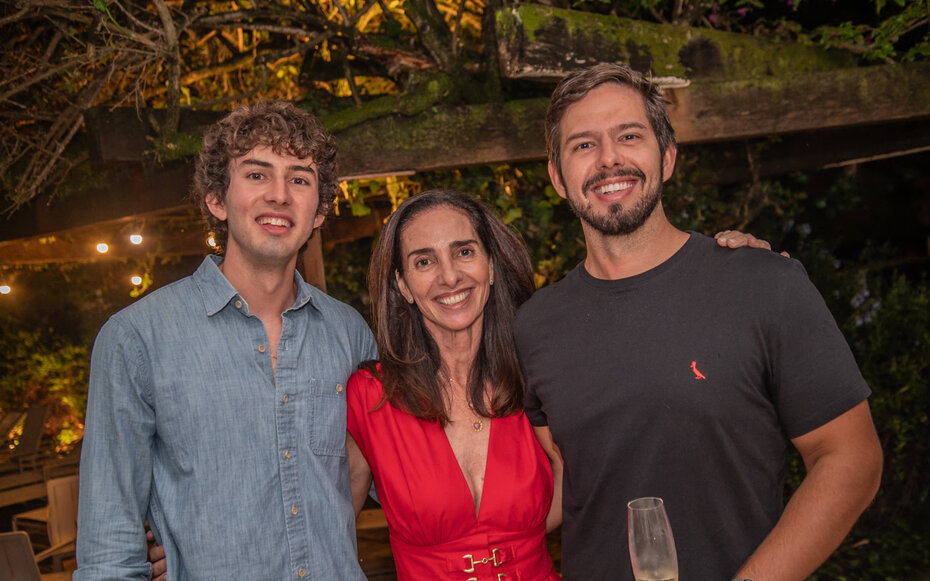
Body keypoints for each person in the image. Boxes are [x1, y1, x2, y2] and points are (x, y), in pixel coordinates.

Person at [513, 63, 884, 581]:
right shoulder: (534, 326)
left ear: (667, 157)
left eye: (629, 136)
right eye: (583, 145)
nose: (608, 159)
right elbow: (553, 484)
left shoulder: (762, 285)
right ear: (557, 177)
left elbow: (851, 458)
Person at [76, 101, 376, 580]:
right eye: (257, 175)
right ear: (216, 199)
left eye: (300, 180)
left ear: (319, 211)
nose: (279, 195)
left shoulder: (349, 333)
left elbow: (385, 477)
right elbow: (108, 549)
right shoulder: (136, 339)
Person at [345, 188, 564, 580]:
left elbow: (580, 482)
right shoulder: (369, 398)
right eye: (424, 261)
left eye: (464, 252)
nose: (449, 276)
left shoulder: (536, 374)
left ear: (491, 266)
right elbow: (330, 524)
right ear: (403, 285)